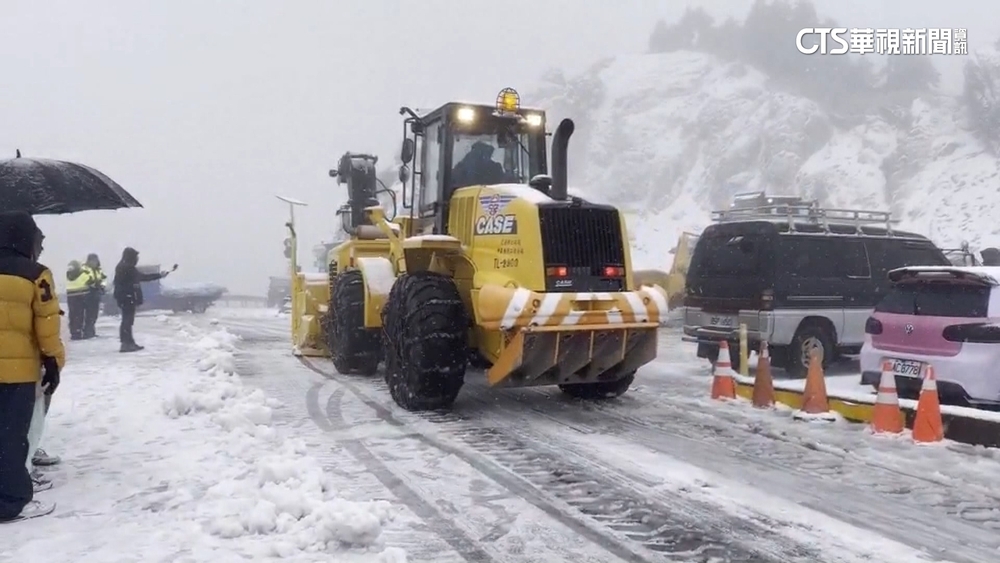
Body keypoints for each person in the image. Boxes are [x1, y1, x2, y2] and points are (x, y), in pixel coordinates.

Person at [0, 211, 65, 523]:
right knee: (12, 439)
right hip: (17, 375)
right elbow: (47, 326)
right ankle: (10, 503)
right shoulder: (36, 274)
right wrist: (54, 363)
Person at [113, 247, 173, 353]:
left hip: (124, 297)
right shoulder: (127, 267)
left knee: (126, 320)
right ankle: (126, 343)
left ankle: (128, 342)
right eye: (136, 257)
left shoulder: (122, 266)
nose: (137, 259)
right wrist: (159, 275)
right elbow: (142, 277)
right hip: (127, 297)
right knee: (127, 321)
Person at [64, 260, 92, 340]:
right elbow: (91, 281)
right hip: (81, 296)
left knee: (72, 314)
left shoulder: (68, 275)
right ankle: (78, 331)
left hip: (70, 296)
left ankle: (74, 331)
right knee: (79, 315)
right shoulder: (83, 274)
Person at [81, 253, 107, 339]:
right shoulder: (85, 269)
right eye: (92, 260)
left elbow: (103, 278)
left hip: (96, 293)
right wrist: (94, 284)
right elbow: (85, 279)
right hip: (88, 294)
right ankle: (87, 332)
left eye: (95, 260)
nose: (94, 262)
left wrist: (102, 286)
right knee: (89, 314)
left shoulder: (99, 270)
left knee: (94, 314)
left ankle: (91, 331)